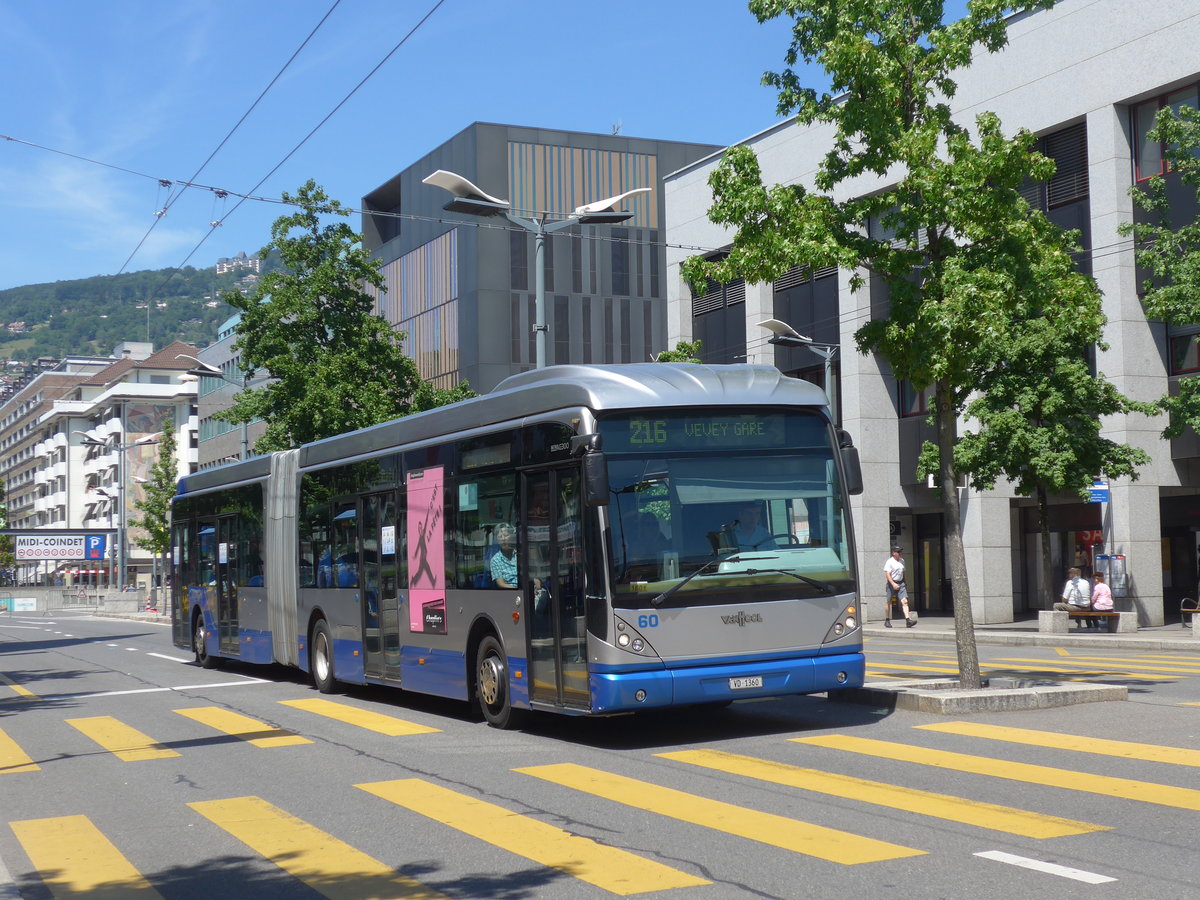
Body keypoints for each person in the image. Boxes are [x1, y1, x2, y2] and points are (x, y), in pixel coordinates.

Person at [884, 545, 916, 627]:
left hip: (901, 583)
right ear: (893, 553)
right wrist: (893, 584)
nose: (900, 553)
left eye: (900, 551)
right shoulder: (889, 562)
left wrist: (905, 582)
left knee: (904, 601)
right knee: (888, 602)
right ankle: (887, 620)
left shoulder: (902, 561)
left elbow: (903, 572)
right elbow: (887, 574)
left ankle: (908, 620)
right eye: (898, 552)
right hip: (892, 583)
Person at [490, 523, 518, 589]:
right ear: (497, 540)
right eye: (500, 537)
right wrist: (517, 590)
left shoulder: (520, 554)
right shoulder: (495, 560)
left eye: (506, 535)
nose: (503, 539)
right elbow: (500, 584)